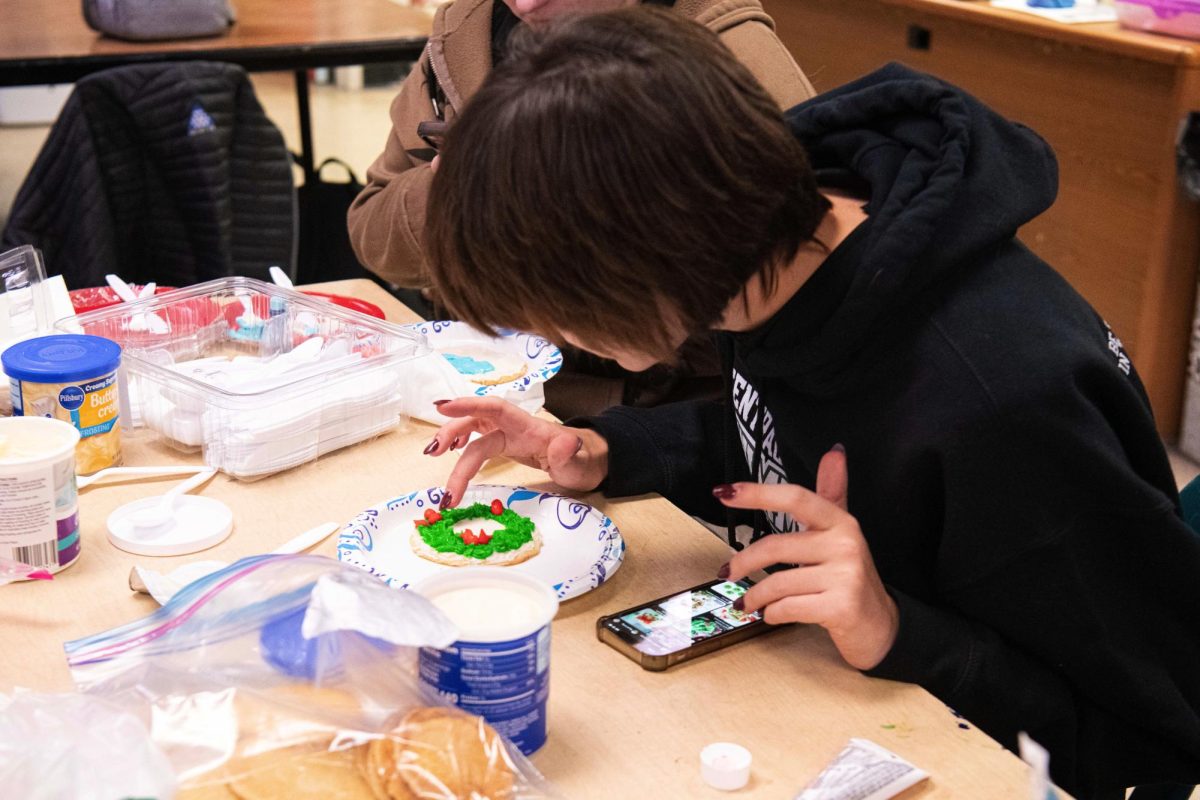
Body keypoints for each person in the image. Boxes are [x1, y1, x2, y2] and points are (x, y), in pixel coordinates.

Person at [416, 7, 1200, 799]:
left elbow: (1151, 745)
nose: (548, 332)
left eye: (551, 304)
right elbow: (788, 432)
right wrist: (606, 449)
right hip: (837, 696)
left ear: (648, 254)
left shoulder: (1002, 408)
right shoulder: (764, 250)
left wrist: (899, 631)